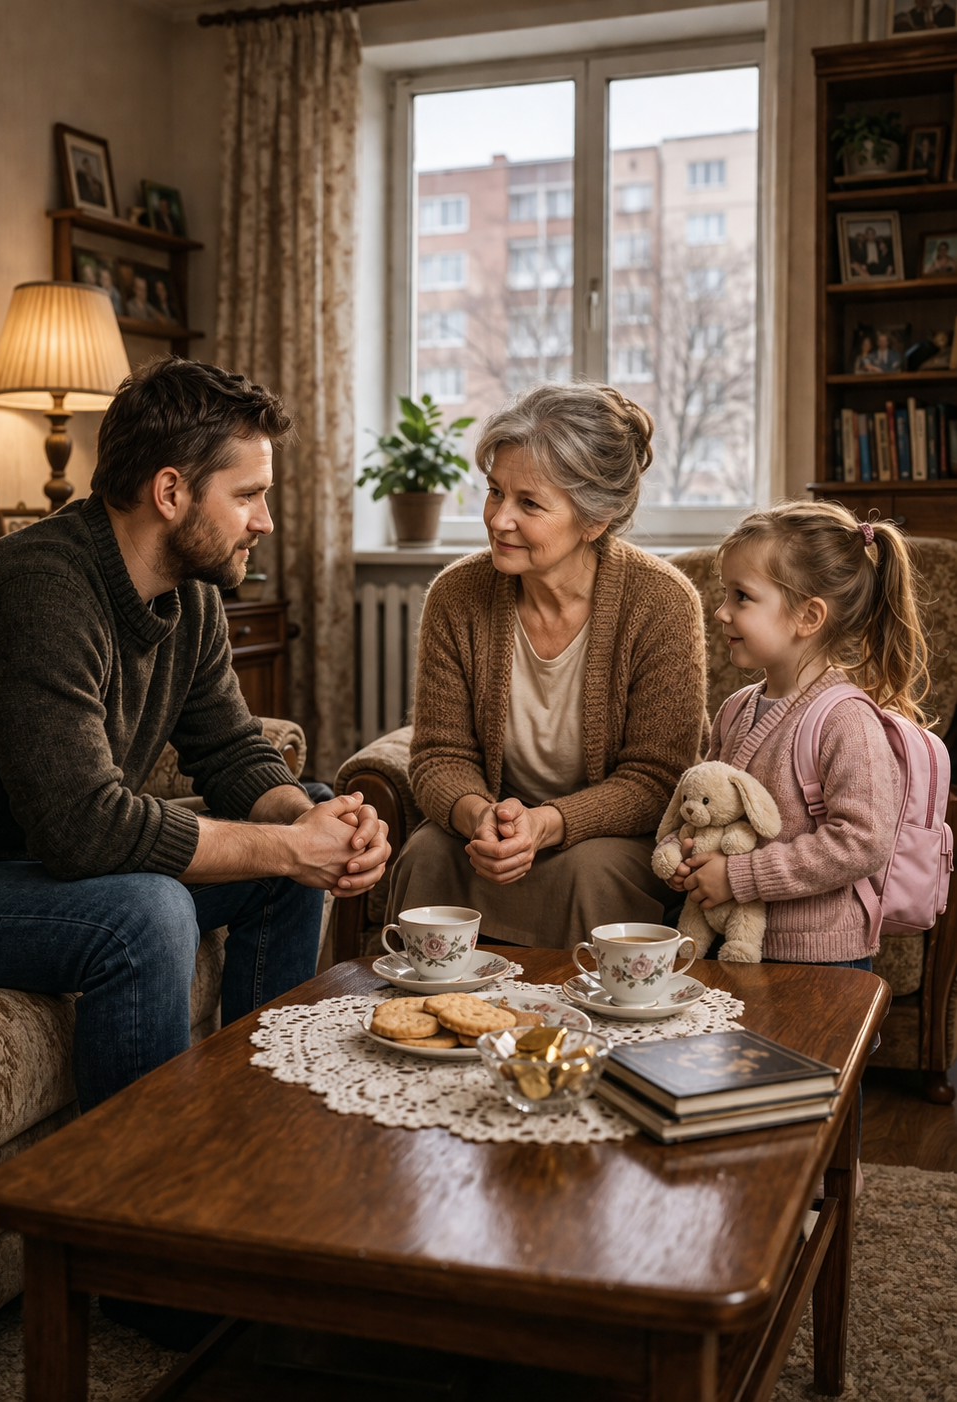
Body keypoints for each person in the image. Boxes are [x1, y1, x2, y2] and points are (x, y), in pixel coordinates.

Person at [0, 356, 390, 1114]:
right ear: (170, 492)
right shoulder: (38, 592)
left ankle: (265, 1117)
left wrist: (308, 824)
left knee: (305, 809)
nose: (264, 521)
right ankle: (143, 1203)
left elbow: (230, 749)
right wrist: (293, 848)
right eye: (249, 496)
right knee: (147, 912)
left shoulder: (187, 596)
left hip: (21, 859)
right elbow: (83, 832)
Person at [386, 380, 708, 947]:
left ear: (595, 520)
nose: (499, 519)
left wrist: (548, 824)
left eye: (529, 503)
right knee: (429, 852)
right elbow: (439, 754)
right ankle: (428, 1027)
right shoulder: (456, 595)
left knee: (590, 871)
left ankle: (587, 1031)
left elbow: (656, 779)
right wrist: (478, 817)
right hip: (495, 828)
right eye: (494, 492)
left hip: (608, 837)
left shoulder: (661, 603)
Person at [668, 502, 927, 1193]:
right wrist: (686, 855)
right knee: (741, 1091)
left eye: (741, 597)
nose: (719, 611)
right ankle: (753, 1198)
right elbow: (712, 807)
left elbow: (861, 843)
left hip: (823, 955)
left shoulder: (846, 721)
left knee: (813, 1105)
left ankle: (821, 1203)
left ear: (807, 617)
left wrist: (740, 877)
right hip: (738, 947)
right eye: (724, 593)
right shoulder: (735, 708)